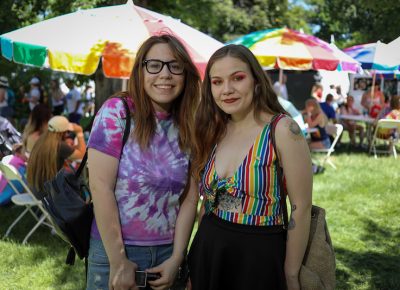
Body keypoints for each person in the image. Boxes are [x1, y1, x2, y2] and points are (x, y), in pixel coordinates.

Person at [188, 44, 312, 290]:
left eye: (238, 78)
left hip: (258, 258)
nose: (227, 90)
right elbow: (210, 203)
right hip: (209, 251)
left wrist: (290, 274)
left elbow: (301, 207)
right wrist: (196, 259)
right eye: (217, 82)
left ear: (256, 80)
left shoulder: (283, 130)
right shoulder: (216, 129)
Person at [86, 34, 201, 290]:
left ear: (185, 74)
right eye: (154, 65)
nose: (165, 74)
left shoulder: (190, 124)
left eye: (175, 66)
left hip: (168, 255)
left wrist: (177, 258)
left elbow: (190, 198)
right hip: (116, 252)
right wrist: (118, 261)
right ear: (140, 70)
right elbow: (100, 188)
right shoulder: (117, 111)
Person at [26, 115, 86, 199]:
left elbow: (67, 151)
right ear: (62, 132)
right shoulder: (59, 145)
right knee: (77, 181)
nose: (67, 134)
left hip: (35, 188)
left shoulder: (42, 140)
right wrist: (79, 132)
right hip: (48, 194)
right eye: (67, 132)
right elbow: (82, 154)